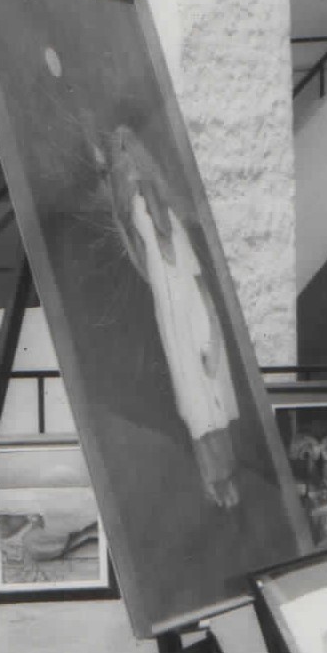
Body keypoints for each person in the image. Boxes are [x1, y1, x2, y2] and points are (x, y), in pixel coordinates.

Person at [99, 122, 242, 510]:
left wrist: (207, 328)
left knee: (208, 393)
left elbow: (186, 269)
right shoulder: (134, 206)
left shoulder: (161, 210)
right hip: (174, 304)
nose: (131, 165)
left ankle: (222, 475)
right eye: (123, 157)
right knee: (196, 398)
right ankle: (215, 478)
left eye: (132, 155)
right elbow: (144, 245)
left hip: (187, 299)